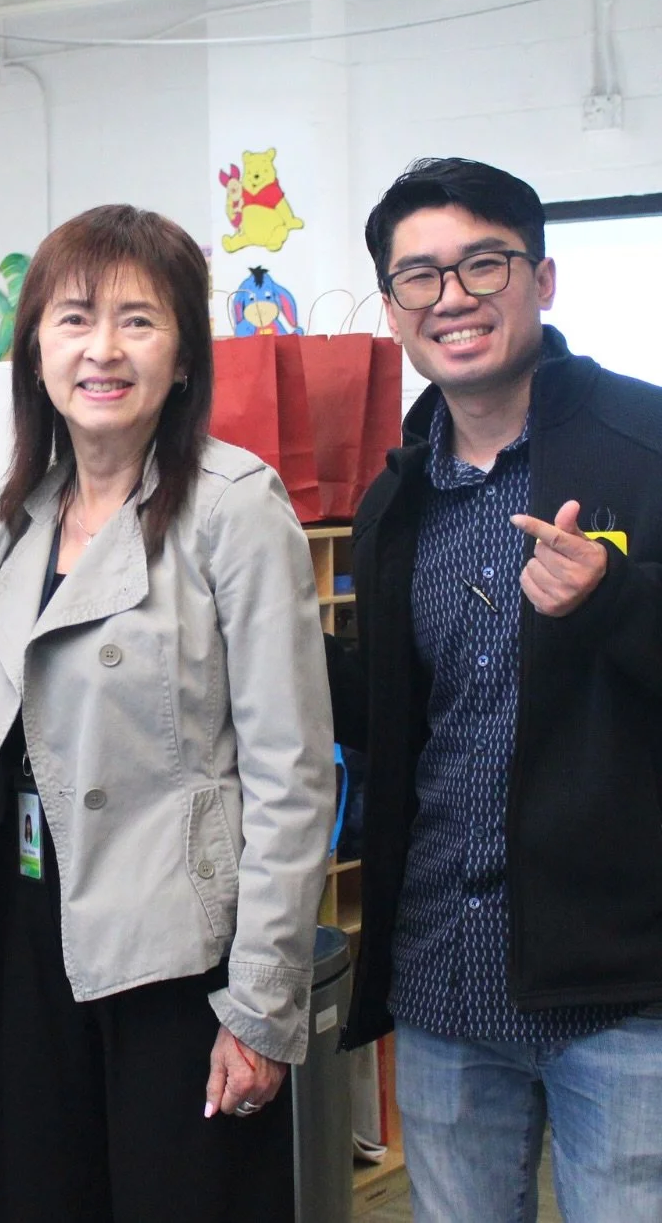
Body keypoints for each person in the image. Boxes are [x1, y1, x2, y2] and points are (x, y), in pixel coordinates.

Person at [0, 204, 335, 1223]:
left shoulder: (234, 508)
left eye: (139, 320)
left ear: (183, 358)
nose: (104, 349)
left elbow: (292, 777)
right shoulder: (9, 527)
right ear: (35, 347)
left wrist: (260, 1007)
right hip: (33, 947)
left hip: (178, 954)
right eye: (75, 318)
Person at [326, 158, 662, 1222]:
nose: (453, 297)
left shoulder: (644, 448)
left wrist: (615, 600)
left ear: (544, 278)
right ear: (392, 308)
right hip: (441, 978)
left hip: (623, 990)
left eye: (484, 263)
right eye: (419, 277)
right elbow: (393, 722)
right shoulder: (393, 501)